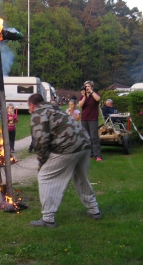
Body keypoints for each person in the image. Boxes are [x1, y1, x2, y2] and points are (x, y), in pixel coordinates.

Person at [27, 94, 102, 228]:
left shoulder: (38, 112)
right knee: (81, 177)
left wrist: (41, 163)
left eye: (29, 107)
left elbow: (42, 141)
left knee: (44, 177)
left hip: (68, 147)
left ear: (32, 105)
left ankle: (48, 219)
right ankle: (94, 210)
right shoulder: (54, 108)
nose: (29, 110)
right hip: (84, 142)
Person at [79, 81, 102, 162]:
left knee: (94, 137)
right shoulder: (83, 96)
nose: (87, 88)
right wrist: (85, 96)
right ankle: (90, 154)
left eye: (88, 86)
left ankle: (98, 155)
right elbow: (80, 105)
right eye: (85, 86)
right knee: (86, 137)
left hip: (93, 119)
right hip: (84, 119)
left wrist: (91, 92)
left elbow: (98, 99)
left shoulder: (95, 94)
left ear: (92, 87)